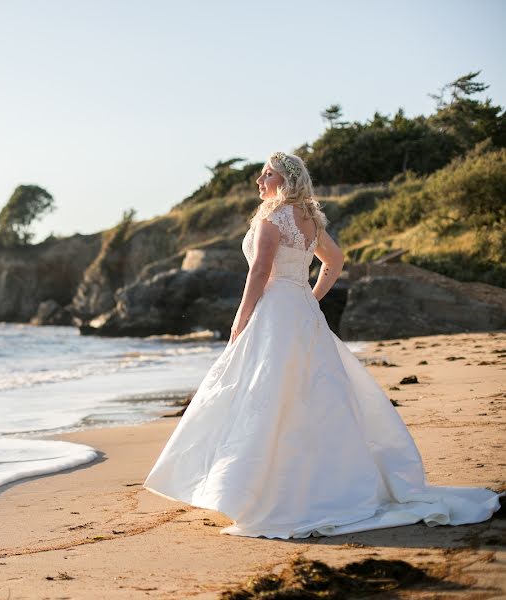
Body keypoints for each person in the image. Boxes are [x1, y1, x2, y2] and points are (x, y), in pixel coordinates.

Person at [143, 151, 503, 538]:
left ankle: (264, 491)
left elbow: (261, 271)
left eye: (266, 174)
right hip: (300, 309)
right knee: (313, 393)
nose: (259, 181)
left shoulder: (272, 217)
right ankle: (317, 484)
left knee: (265, 392)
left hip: (275, 311)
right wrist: (311, 296)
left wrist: (241, 317)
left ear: (284, 179)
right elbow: (335, 260)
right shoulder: (311, 219)